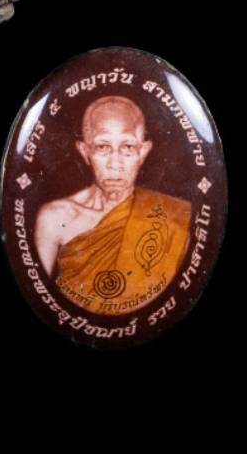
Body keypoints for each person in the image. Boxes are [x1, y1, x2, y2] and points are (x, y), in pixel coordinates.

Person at [34, 96, 191, 314]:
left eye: (127, 147)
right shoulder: (55, 217)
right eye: (102, 147)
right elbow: (36, 298)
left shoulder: (173, 216)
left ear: (143, 152)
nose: (115, 163)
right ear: (85, 151)